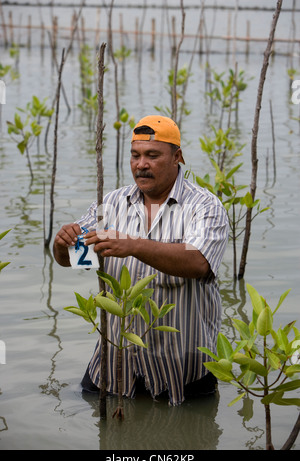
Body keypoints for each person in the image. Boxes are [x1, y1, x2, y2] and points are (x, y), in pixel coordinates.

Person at [53, 115, 229, 405]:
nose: (141, 164)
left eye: (152, 155)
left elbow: (198, 262)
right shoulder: (111, 204)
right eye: (135, 155)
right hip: (114, 369)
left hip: (181, 374)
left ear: (177, 157)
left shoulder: (205, 206)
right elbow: (73, 259)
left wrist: (134, 245)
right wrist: (62, 244)